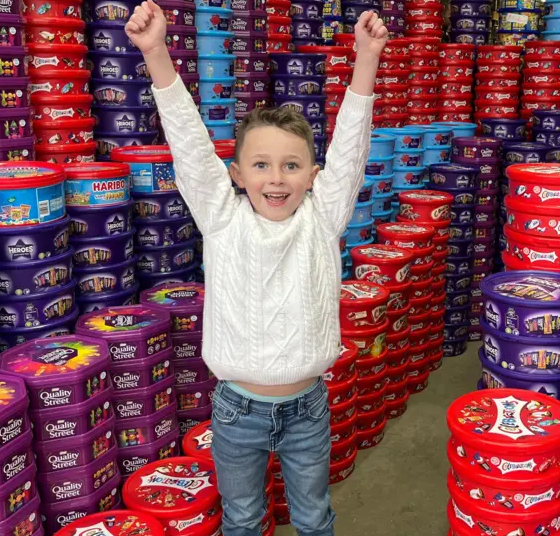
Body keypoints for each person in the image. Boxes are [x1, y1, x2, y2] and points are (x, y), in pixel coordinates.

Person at [124, 4, 387, 536]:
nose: (276, 179)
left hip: (308, 407)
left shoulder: (323, 217)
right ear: (236, 174)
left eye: (292, 166)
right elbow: (190, 146)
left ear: (314, 176)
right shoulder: (221, 219)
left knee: (314, 518)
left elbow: (352, 147)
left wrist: (367, 59)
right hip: (236, 410)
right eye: (261, 165)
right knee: (242, 519)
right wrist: (156, 53)